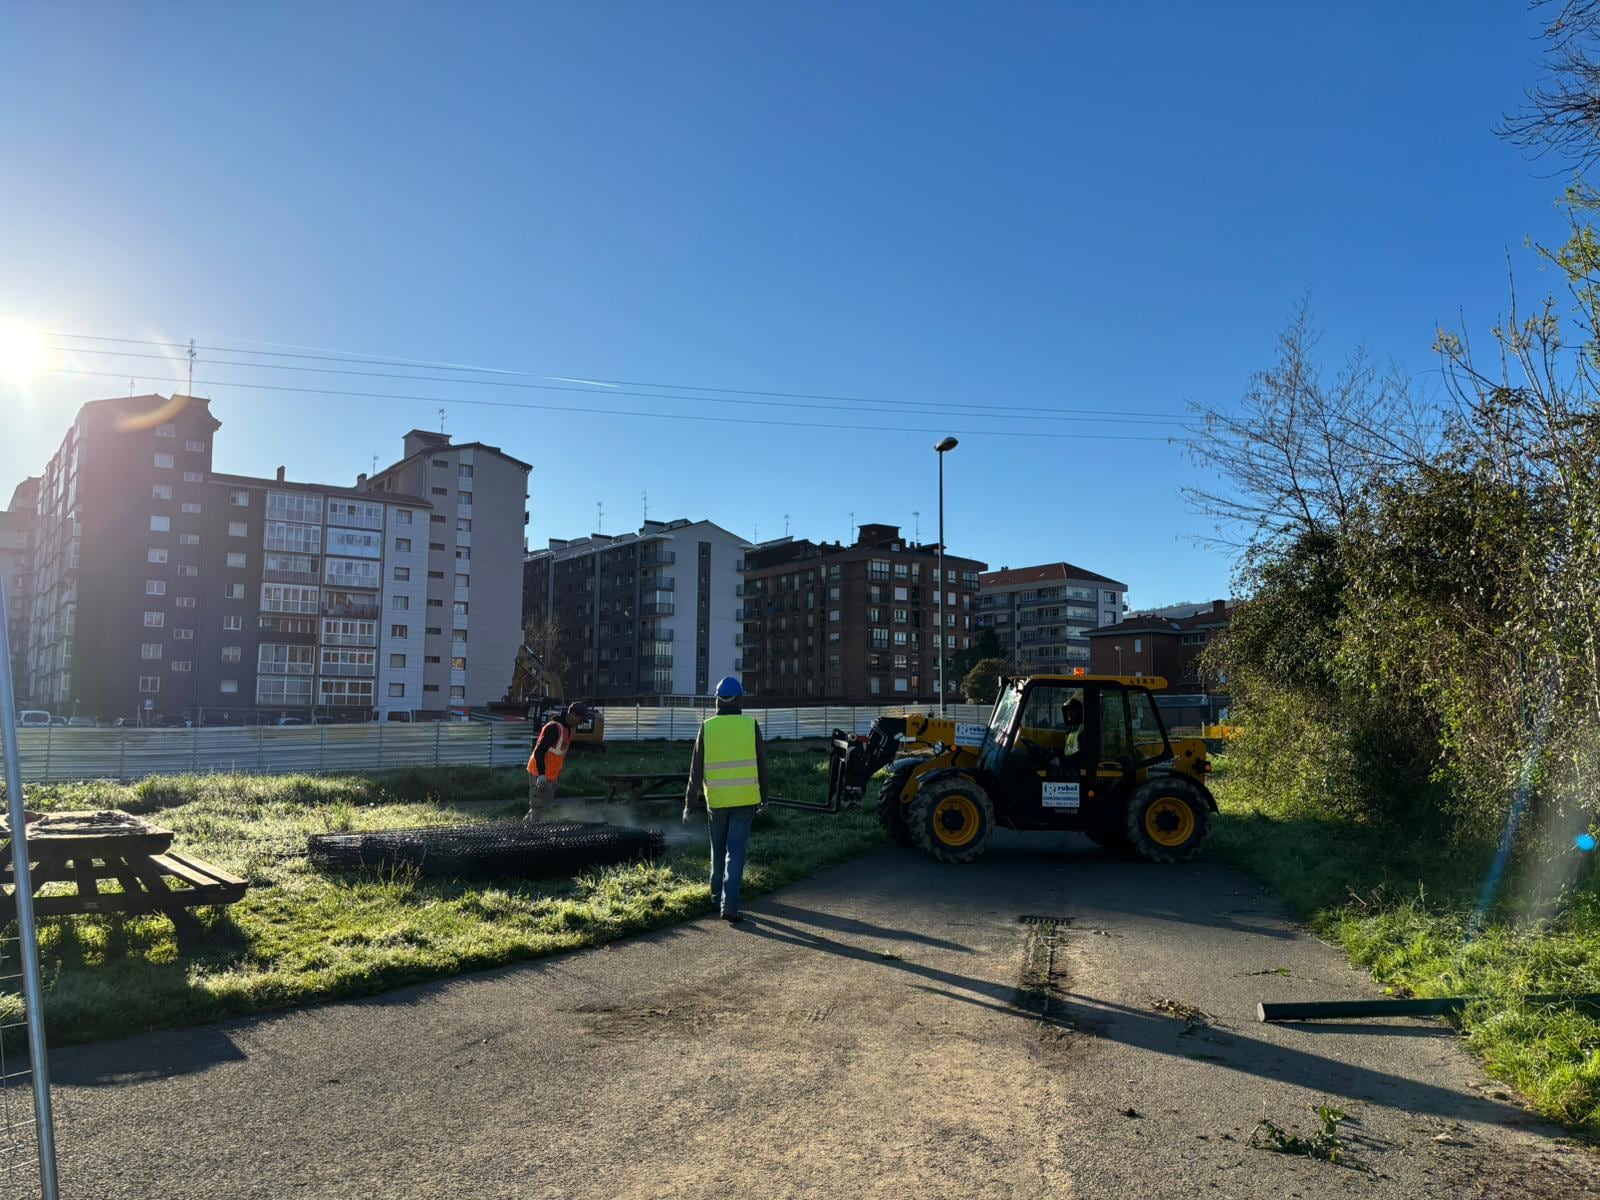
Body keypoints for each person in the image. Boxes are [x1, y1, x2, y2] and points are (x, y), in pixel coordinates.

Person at [683, 676, 768, 923]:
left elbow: (695, 771)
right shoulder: (750, 725)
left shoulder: (707, 727)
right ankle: (729, 906)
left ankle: (714, 896)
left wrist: (689, 804)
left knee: (717, 850)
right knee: (736, 852)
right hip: (745, 800)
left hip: (717, 802)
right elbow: (763, 766)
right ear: (740, 699)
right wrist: (765, 797)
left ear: (717, 700)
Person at [526, 701, 593, 818]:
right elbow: (539, 751)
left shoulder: (568, 729)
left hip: (551, 775)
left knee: (545, 809)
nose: (580, 723)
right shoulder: (554, 728)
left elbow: (558, 753)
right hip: (539, 773)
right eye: (580, 719)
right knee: (538, 808)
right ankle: (529, 833)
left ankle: (531, 830)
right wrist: (541, 774)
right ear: (572, 714)